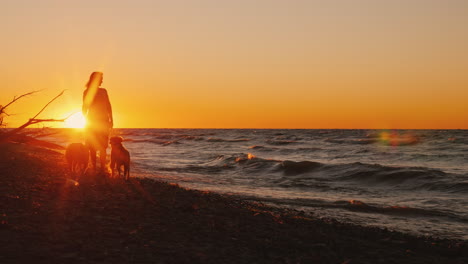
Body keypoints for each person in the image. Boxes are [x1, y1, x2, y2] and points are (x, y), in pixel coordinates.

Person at [82, 72, 113, 173]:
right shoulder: (87, 92)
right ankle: (95, 168)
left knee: (103, 146)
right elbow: (84, 107)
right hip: (93, 122)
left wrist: (111, 119)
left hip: (102, 122)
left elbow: (108, 106)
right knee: (92, 146)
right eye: (101, 78)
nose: (102, 80)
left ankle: (102, 168)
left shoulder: (103, 91)